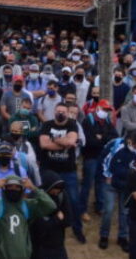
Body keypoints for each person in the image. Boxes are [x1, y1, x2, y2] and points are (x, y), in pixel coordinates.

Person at [0, 174, 56, 259]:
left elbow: (51, 206)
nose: (13, 189)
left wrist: (34, 188)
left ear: (22, 189)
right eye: (10, 187)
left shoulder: (28, 205)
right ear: (4, 189)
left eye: (17, 187)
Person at [38, 103, 84, 243]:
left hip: (68, 170)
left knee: (74, 201)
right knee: (44, 200)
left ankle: (77, 229)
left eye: (63, 111)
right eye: (58, 111)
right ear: (54, 111)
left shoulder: (72, 124)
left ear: (67, 113)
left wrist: (54, 139)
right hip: (48, 170)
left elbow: (71, 141)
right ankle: (43, 228)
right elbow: (43, 145)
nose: (60, 113)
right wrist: (64, 142)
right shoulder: (46, 125)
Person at [99, 131, 136, 252]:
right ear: (130, 141)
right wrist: (107, 176)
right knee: (108, 211)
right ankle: (104, 236)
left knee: (124, 212)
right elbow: (104, 160)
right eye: (135, 146)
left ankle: (123, 237)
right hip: (111, 184)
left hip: (127, 186)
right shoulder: (116, 145)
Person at [79, 99, 117, 219]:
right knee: (87, 183)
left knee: (101, 183)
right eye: (104, 109)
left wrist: (101, 137)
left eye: (107, 110)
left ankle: (100, 206)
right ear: (98, 108)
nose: (106, 112)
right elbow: (89, 141)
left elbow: (114, 137)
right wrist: (103, 140)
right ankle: (82, 209)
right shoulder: (87, 121)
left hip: (103, 157)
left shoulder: (107, 121)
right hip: (90, 157)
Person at [30, 170, 71, 259]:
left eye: (59, 189)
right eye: (55, 188)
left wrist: (50, 220)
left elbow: (68, 221)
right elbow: (39, 226)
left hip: (57, 245)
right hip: (39, 247)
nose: (57, 191)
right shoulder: (35, 198)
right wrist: (57, 218)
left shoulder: (62, 196)